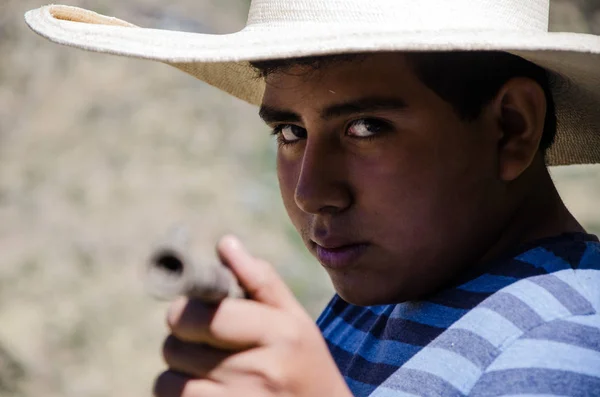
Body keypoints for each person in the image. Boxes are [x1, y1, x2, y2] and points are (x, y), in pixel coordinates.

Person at [24, 0, 600, 396]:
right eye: (290, 133)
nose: (311, 193)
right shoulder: (379, 296)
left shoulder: (572, 339)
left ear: (511, 127)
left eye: (366, 128)